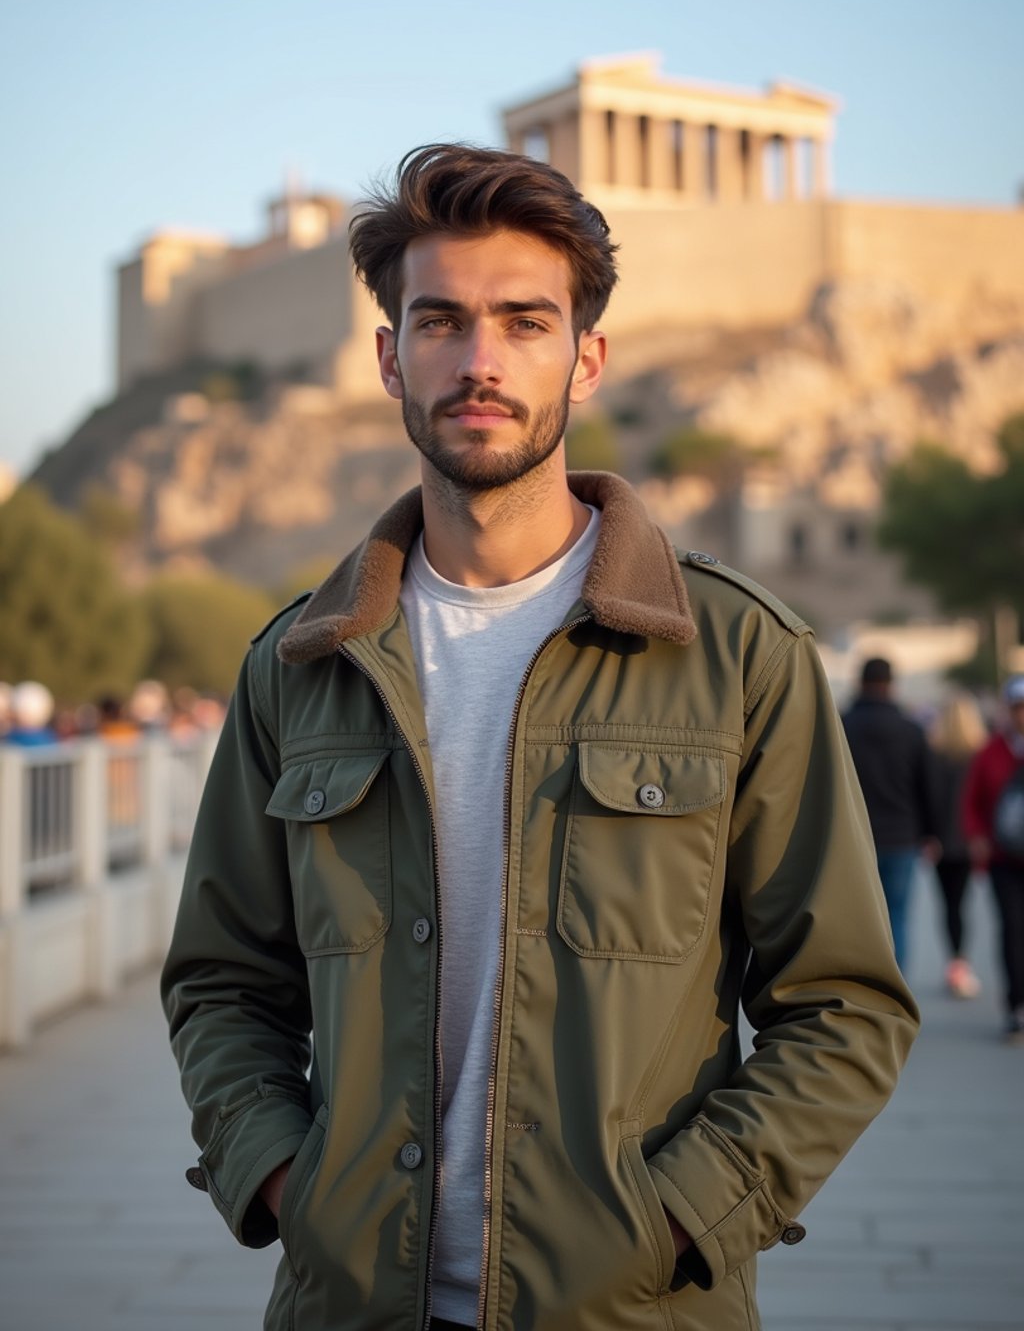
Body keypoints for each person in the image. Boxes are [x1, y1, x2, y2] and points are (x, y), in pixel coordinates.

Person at [162, 143, 919, 1331]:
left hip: (631, 1307)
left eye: (524, 322)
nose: (478, 362)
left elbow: (847, 1003)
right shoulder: (295, 667)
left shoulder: (734, 656)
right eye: (440, 322)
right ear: (385, 355)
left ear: (586, 357)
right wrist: (281, 1178)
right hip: (349, 1302)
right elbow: (221, 980)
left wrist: (676, 1220)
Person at [842, 657, 938, 974]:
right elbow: (927, 786)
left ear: (861, 683)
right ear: (891, 684)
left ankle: (861, 987)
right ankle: (895, 991)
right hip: (902, 836)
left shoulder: (841, 726)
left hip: (853, 837)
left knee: (857, 918)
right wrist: (931, 833)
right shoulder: (911, 730)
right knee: (897, 914)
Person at [963, 674, 1024, 1045]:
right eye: (1017, 708)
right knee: (1013, 932)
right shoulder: (992, 751)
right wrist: (977, 838)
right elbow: (972, 801)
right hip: (1004, 860)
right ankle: (1016, 1007)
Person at [927, 691, 988, 997]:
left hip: (941, 842)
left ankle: (954, 962)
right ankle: (961, 963)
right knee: (963, 904)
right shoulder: (980, 753)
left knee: (948, 905)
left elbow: (931, 800)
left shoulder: (935, 753)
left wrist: (929, 835)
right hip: (968, 841)